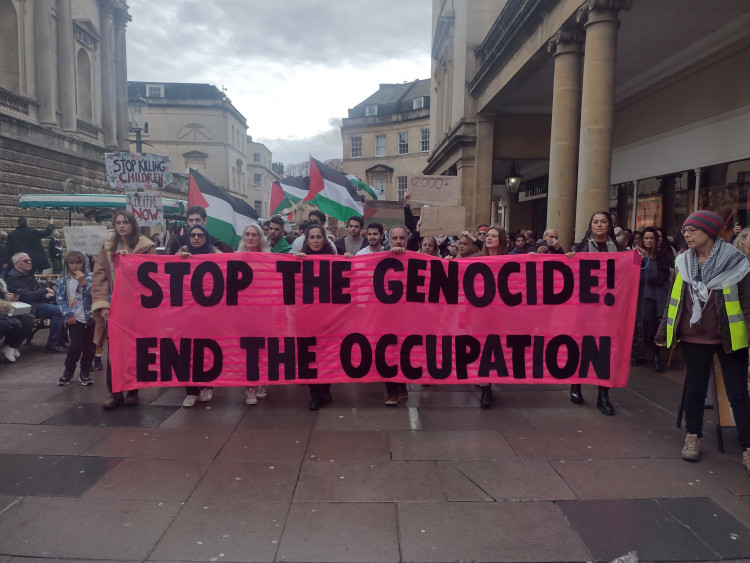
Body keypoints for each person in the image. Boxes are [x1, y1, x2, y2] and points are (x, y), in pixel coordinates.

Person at [656, 210, 750, 473]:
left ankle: (748, 448)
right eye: (685, 230)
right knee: (695, 392)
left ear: (709, 232)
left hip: (730, 338)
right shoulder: (683, 261)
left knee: (739, 395)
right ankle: (692, 438)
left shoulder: (737, 262)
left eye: (692, 230)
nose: (687, 234)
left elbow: (747, 304)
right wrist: (665, 332)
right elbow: (673, 301)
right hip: (693, 338)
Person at [93, 211, 156, 409]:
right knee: (115, 352)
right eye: (118, 222)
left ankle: (133, 392)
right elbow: (100, 275)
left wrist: (132, 262)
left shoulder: (146, 246)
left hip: (137, 307)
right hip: (114, 305)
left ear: (133, 225)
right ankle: (115, 393)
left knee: (135, 350)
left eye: (125, 222)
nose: (121, 226)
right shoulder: (108, 247)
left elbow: (154, 274)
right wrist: (102, 304)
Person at [566, 211, 619, 415]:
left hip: (607, 309)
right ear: (591, 225)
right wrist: (570, 258)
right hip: (584, 308)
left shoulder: (618, 249)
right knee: (580, 346)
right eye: (595, 221)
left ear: (609, 225)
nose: (599, 225)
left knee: (604, 350)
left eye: (603, 222)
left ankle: (603, 396)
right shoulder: (580, 248)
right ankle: (576, 386)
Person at [178, 224, 221, 407]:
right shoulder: (179, 256)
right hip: (186, 313)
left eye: (200, 235)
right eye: (193, 235)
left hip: (210, 312)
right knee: (187, 350)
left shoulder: (218, 257)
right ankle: (191, 391)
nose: (196, 238)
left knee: (208, 349)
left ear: (206, 237)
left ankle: (207, 386)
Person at [295, 224, 336, 410]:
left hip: (328, 317)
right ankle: (315, 394)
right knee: (308, 356)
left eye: (319, 237)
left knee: (326, 354)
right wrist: (296, 263)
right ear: (306, 240)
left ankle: (325, 388)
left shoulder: (335, 259)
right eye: (311, 237)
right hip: (306, 318)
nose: (315, 241)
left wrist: (348, 261)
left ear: (324, 239)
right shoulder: (298, 260)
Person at [5, 252, 66, 353]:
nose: (29, 262)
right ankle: (52, 344)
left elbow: (37, 289)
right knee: (58, 311)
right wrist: (44, 291)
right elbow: (26, 296)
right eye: (25, 261)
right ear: (17, 264)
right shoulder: (13, 278)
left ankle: (61, 341)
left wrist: (45, 294)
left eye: (30, 260)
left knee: (63, 307)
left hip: (36, 303)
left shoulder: (28, 274)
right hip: (27, 307)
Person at [237, 223, 270, 404]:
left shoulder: (268, 258)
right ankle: (249, 387)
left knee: (264, 349)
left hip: (264, 311)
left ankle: (263, 382)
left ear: (260, 238)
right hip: (244, 313)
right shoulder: (234, 259)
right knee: (247, 351)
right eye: (247, 234)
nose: (250, 238)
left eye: (254, 235)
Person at [476, 225, 509, 408]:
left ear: (501, 240)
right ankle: (485, 388)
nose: (488, 238)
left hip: (502, 313)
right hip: (480, 313)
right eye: (487, 235)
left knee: (497, 347)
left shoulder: (511, 260)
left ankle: (491, 380)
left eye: (493, 236)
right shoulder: (476, 259)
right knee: (484, 347)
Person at [55, 250, 95, 386]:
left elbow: (96, 296)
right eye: (71, 263)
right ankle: (68, 371)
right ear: (67, 264)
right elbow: (60, 299)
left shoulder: (91, 278)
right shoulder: (64, 281)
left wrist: (84, 283)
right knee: (75, 347)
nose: (75, 266)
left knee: (90, 348)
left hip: (91, 319)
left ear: (85, 263)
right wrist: (68, 314)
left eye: (78, 262)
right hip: (75, 319)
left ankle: (85, 372)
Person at [637, 227, 671, 372]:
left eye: (652, 238)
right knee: (645, 324)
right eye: (646, 238)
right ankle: (645, 354)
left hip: (658, 296)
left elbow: (660, 276)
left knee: (655, 326)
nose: (649, 241)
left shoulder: (662, 255)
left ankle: (656, 356)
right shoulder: (637, 255)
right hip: (644, 295)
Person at [383, 225, 410, 406]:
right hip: (384, 315)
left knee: (405, 350)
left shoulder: (415, 258)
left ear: (406, 240)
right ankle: (392, 390)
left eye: (402, 238)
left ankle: (402, 383)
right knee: (387, 351)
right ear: (389, 240)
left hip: (408, 316)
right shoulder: (379, 259)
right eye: (395, 238)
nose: (398, 242)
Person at [166, 205, 230, 255]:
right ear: (187, 221)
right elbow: (168, 264)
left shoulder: (216, 243)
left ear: (205, 221)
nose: (194, 223)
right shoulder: (178, 242)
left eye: (197, 220)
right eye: (191, 220)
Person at [0, 277, 34, 363]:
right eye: (25, 261)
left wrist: (10, 298)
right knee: (13, 323)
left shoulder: (1, 283)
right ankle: (7, 345)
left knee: (28, 321)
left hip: (4, 312)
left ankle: (11, 346)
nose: (29, 262)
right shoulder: (13, 276)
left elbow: (4, 297)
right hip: (3, 312)